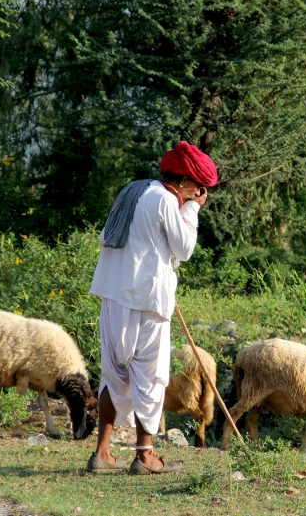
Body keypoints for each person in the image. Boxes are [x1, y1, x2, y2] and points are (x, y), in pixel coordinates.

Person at [86, 140, 217, 475]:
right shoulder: (164, 199)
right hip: (146, 299)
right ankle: (144, 456)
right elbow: (184, 248)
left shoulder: (133, 190)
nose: (197, 194)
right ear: (186, 182)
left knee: (113, 375)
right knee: (150, 377)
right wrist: (192, 208)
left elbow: (122, 238)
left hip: (113, 294)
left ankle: (102, 453)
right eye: (197, 189)